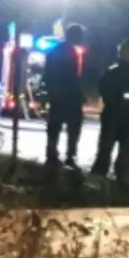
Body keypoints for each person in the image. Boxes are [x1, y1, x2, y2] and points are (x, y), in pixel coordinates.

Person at [91, 38, 129, 184]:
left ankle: (120, 179)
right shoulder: (114, 69)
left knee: (126, 151)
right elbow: (104, 89)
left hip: (127, 117)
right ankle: (100, 179)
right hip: (116, 116)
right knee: (106, 150)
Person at [43, 23, 87, 168]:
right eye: (80, 35)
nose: (82, 38)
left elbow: (47, 76)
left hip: (58, 97)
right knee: (73, 127)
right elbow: (70, 77)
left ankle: (52, 155)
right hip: (67, 97)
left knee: (55, 127)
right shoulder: (68, 52)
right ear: (75, 36)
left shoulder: (57, 51)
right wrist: (78, 95)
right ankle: (68, 157)